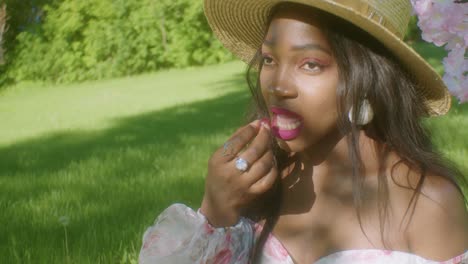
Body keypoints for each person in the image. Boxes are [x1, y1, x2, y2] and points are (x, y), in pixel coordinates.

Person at [139, 0, 468, 263]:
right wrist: (216, 213)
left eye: (310, 63)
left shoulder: (427, 203)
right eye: (269, 60)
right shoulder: (258, 187)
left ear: (369, 78)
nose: (278, 86)